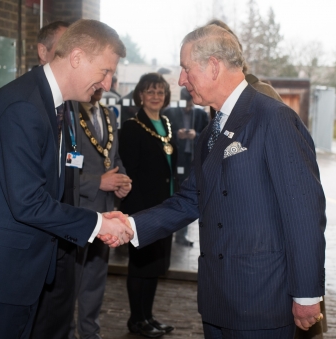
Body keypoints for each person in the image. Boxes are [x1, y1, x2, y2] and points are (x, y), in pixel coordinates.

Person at [104, 24, 326, 339]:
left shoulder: (273, 118)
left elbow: (304, 211)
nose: (180, 80)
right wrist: (131, 225)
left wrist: (306, 293)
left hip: (261, 300)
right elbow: (190, 199)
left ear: (213, 66)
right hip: (217, 300)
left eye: (185, 68)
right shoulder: (211, 132)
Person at [0, 19, 133, 339]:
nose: (107, 84)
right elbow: (27, 201)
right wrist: (98, 224)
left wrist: (98, 216)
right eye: (105, 71)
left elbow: (62, 180)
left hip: (31, 268)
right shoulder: (22, 106)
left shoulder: (61, 107)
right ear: (78, 57)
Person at [29, 20, 81, 339]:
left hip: (66, 235)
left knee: (61, 318)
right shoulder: (26, 105)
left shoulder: (69, 104)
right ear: (43, 51)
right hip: (39, 237)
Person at [69, 88, 131, 339]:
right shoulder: (68, 114)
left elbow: (113, 157)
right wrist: (97, 182)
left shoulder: (108, 114)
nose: (103, 86)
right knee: (71, 279)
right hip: (78, 211)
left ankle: (90, 332)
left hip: (105, 209)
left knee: (95, 277)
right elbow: (65, 168)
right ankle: (67, 333)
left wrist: (122, 180)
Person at [118, 73, 177, 338]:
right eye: (150, 91)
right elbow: (129, 174)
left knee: (155, 266)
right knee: (140, 266)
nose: (156, 96)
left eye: (160, 92)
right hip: (143, 210)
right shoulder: (132, 127)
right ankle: (136, 319)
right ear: (140, 94)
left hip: (166, 207)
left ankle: (149, 316)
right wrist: (139, 215)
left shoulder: (166, 122)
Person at [163, 87, 209, 246]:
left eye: (190, 103)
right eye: (186, 103)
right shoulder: (170, 113)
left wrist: (195, 135)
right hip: (175, 162)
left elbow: (208, 136)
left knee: (187, 197)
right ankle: (167, 233)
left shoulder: (201, 114)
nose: (188, 107)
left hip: (192, 161)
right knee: (173, 196)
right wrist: (177, 134)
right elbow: (164, 136)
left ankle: (182, 236)